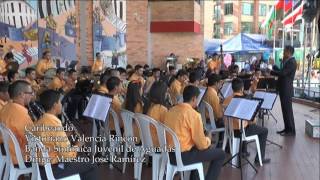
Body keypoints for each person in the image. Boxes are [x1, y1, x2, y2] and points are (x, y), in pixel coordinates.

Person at [35, 90, 101, 179]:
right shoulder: (55, 122)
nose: (61, 105)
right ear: (55, 105)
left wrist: (66, 134)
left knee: (82, 161)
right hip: (53, 168)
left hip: (42, 167)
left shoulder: (41, 120)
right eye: (59, 102)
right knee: (91, 164)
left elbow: (49, 138)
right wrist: (78, 145)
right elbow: (66, 156)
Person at [164, 85, 225, 180]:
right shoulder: (193, 115)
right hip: (183, 157)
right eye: (197, 99)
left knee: (196, 148)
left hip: (170, 155)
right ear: (193, 99)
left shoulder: (171, 110)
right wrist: (208, 138)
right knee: (220, 154)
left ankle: (194, 178)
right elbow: (202, 145)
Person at [223, 78, 270, 164]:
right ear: (242, 89)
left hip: (229, 130)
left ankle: (244, 151)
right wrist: (253, 119)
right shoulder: (243, 101)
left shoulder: (227, 99)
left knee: (245, 124)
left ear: (232, 88)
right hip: (240, 132)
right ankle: (259, 159)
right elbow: (250, 121)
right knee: (264, 131)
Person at [0, 80, 34, 165]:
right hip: (20, 156)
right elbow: (33, 139)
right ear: (22, 94)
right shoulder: (21, 114)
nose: (32, 95)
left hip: (7, 153)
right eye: (30, 93)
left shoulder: (5, 107)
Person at [271, 45, 297, 136]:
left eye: (284, 51)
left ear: (289, 52)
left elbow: (283, 73)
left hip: (286, 89)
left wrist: (271, 72)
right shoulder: (288, 61)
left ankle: (291, 131)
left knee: (287, 110)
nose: (283, 53)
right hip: (283, 89)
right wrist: (274, 66)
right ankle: (287, 129)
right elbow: (281, 71)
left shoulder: (292, 62)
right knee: (285, 110)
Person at [144, 81, 168, 146]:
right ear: (162, 94)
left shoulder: (147, 104)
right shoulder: (162, 109)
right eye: (166, 92)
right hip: (157, 143)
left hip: (146, 140)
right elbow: (167, 128)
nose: (167, 94)